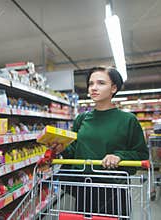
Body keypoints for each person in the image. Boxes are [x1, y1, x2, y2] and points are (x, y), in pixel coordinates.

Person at [51, 66, 149, 217]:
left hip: (113, 189)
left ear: (113, 88)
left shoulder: (128, 120)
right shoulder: (81, 119)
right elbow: (74, 151)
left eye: (101, 83)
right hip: (84, 186)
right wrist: (61, 148)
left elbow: (141, 154)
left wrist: (119, 156)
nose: (93, 88)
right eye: (91, 84)